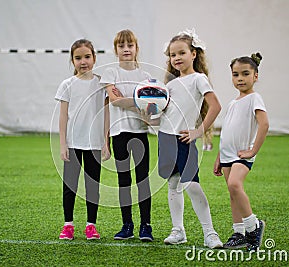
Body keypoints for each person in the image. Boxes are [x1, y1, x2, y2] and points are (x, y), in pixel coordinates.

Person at [156, 28, 223, 248]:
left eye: (181, 53)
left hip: (184, 141)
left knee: (192, 185)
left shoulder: (199, 79)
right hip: (165, 140)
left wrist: (198, 131)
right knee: (173, 184)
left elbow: (215, 106)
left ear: (193, 54)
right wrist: (146, 113)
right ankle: (178, 231)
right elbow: (163, 116)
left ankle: (209, 233)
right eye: (172, 55)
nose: (176, 58)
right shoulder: (169, 85)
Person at [100, 29, 153, 242]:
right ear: (116, 50)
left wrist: (128, 101)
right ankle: (127, 225)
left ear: (136, 48)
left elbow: (152, 107)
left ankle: (146, 226)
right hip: (119, 134)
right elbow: (114, 101)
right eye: (121, 46)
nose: (126, 49)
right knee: (124, 180)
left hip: (140, 133)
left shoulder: (146, 77)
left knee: (143, 181)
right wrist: (138, 102)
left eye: (129, 45)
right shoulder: (110, 74)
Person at [55, 39, 110, 240]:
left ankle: (91, 225)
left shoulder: (102, 83)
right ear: (72, 61)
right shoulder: (67, 85)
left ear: (94, 58)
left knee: (92, 185)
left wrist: (106, 141)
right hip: (72, 144)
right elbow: (63, 117)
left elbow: (106, 114)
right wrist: (62, 144)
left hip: (94, 144)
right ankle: (68, 225)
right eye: (78, 58)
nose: (83, 61)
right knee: (70, 186)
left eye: (87, 56)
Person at [213, 53, 269, 251]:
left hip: (242, 154)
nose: (240, 78)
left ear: (255, 76)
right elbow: (227, 130)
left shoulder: (255, 98)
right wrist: (220, 156)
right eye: (236, 74)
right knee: (232, 192)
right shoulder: (233, 102)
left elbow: (264, 124)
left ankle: (254, 227)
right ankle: (239, 233)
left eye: (245, 74)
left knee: (235, 185)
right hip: (227, 155)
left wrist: (253, 150)